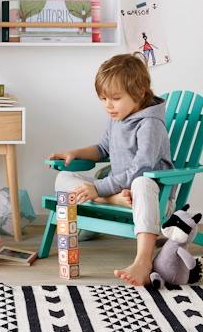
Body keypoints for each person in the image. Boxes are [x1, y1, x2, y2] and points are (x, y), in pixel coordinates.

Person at [49, 53, 174, 285]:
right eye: (103, 98)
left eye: (115, 98)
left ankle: (143, 262)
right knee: (63, 178)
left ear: (138, 94)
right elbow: (103, 148)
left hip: (151, 197)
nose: (108, 105)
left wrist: (99, 187)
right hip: (117, 191)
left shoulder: (150, 125)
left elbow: (142, 168)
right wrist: (75, 153)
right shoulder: (117, 118)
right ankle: (111, 200)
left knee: (141, 182)